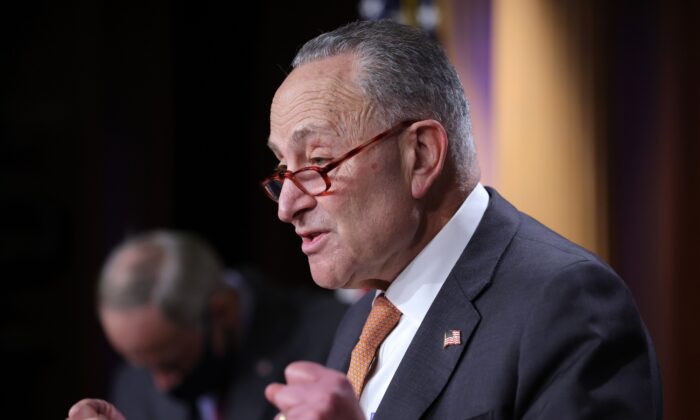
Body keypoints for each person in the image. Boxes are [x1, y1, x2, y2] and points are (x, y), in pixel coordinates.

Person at [69, 19, 662, 420]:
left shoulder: (565, 303)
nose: (287, 203)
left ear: (421, 155)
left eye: (319, 162)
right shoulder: (360, 325)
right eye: (283, 169)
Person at [68, 230, 348, 420]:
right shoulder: (133, 386)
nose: (161, 383)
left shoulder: (336, 336)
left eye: (173, 363)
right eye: (143, 364)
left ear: (222, 310)